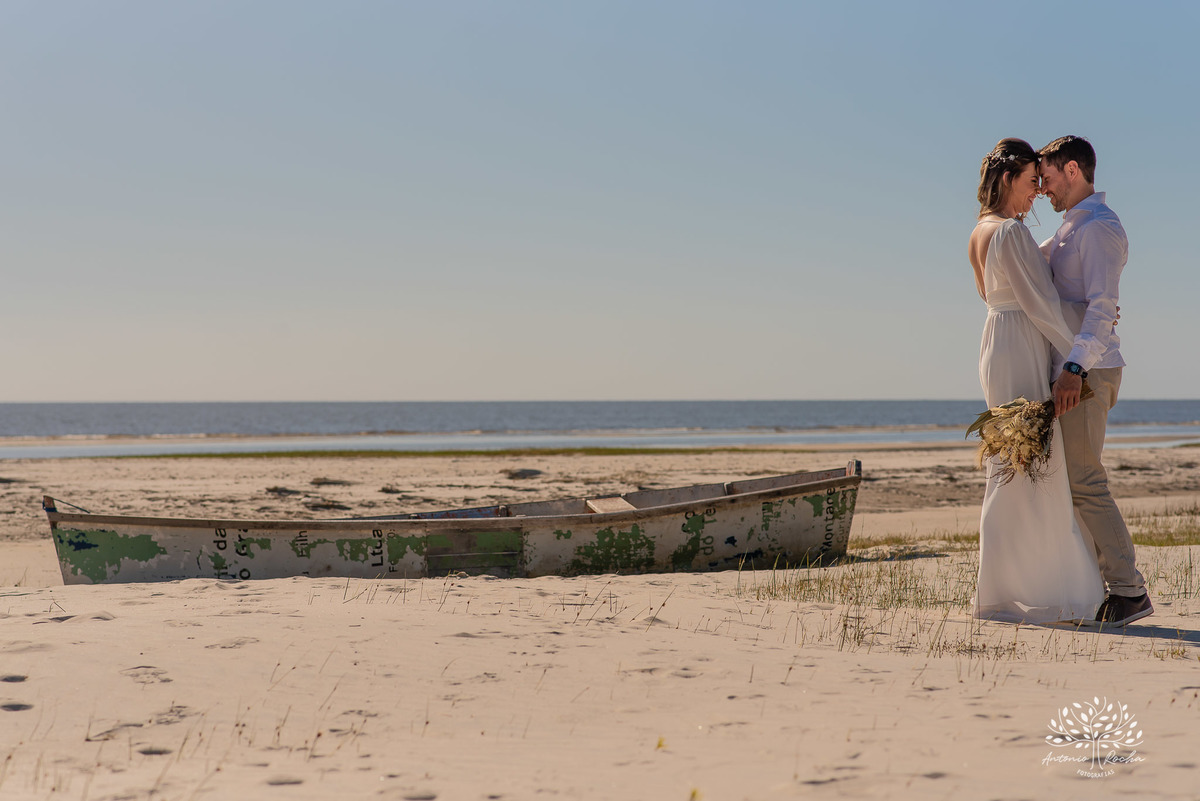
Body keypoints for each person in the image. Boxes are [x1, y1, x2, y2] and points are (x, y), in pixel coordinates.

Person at [967, 138, 1105, 624]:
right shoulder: (1009, 233)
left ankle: (999, 588)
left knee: (1009, 462)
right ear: (1008, 180)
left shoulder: (980, 231)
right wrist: (1083, 353)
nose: (1035, 196)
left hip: (996, 344)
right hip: (1022, 345)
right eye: (1030, 184)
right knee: (1037, 462)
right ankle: (1056, 589)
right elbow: (1043, 305)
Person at [1039, 135, 1152, 626]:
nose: (1043, 190)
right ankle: (1094, 586)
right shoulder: (1070, 228)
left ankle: (1129, 592)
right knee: (1075, 481)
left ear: (1071, 170)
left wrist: (1073, 368)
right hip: (1078, 369)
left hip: (1089, 371)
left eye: (1045, 179)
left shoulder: (1100, 229)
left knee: (1085, 482)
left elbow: (1103, 308)